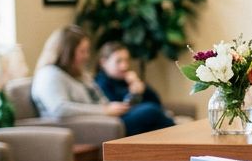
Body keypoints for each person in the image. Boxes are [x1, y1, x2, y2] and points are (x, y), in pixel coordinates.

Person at [31, 26, 175, 136]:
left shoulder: (80, 74)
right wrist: (104, 110)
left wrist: (116, 105)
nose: (87, 56)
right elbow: (59, 109)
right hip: (87, 127)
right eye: (82, 51)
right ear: (67, 52)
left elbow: (100, 99)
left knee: (154, 130)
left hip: (105, 121)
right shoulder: (49, 74)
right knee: (150, 111)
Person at [94, 41, 178, 134]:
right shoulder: (99, 83)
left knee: (157, 127)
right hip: (118, 122)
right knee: (151, 111)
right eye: (118, 61)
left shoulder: (127, 79)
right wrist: (135, 94)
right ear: (104, 63)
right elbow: (119, 109)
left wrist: (141, 87)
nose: (124, 66)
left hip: (139, 123)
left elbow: (157, 102)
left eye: (127, 60)